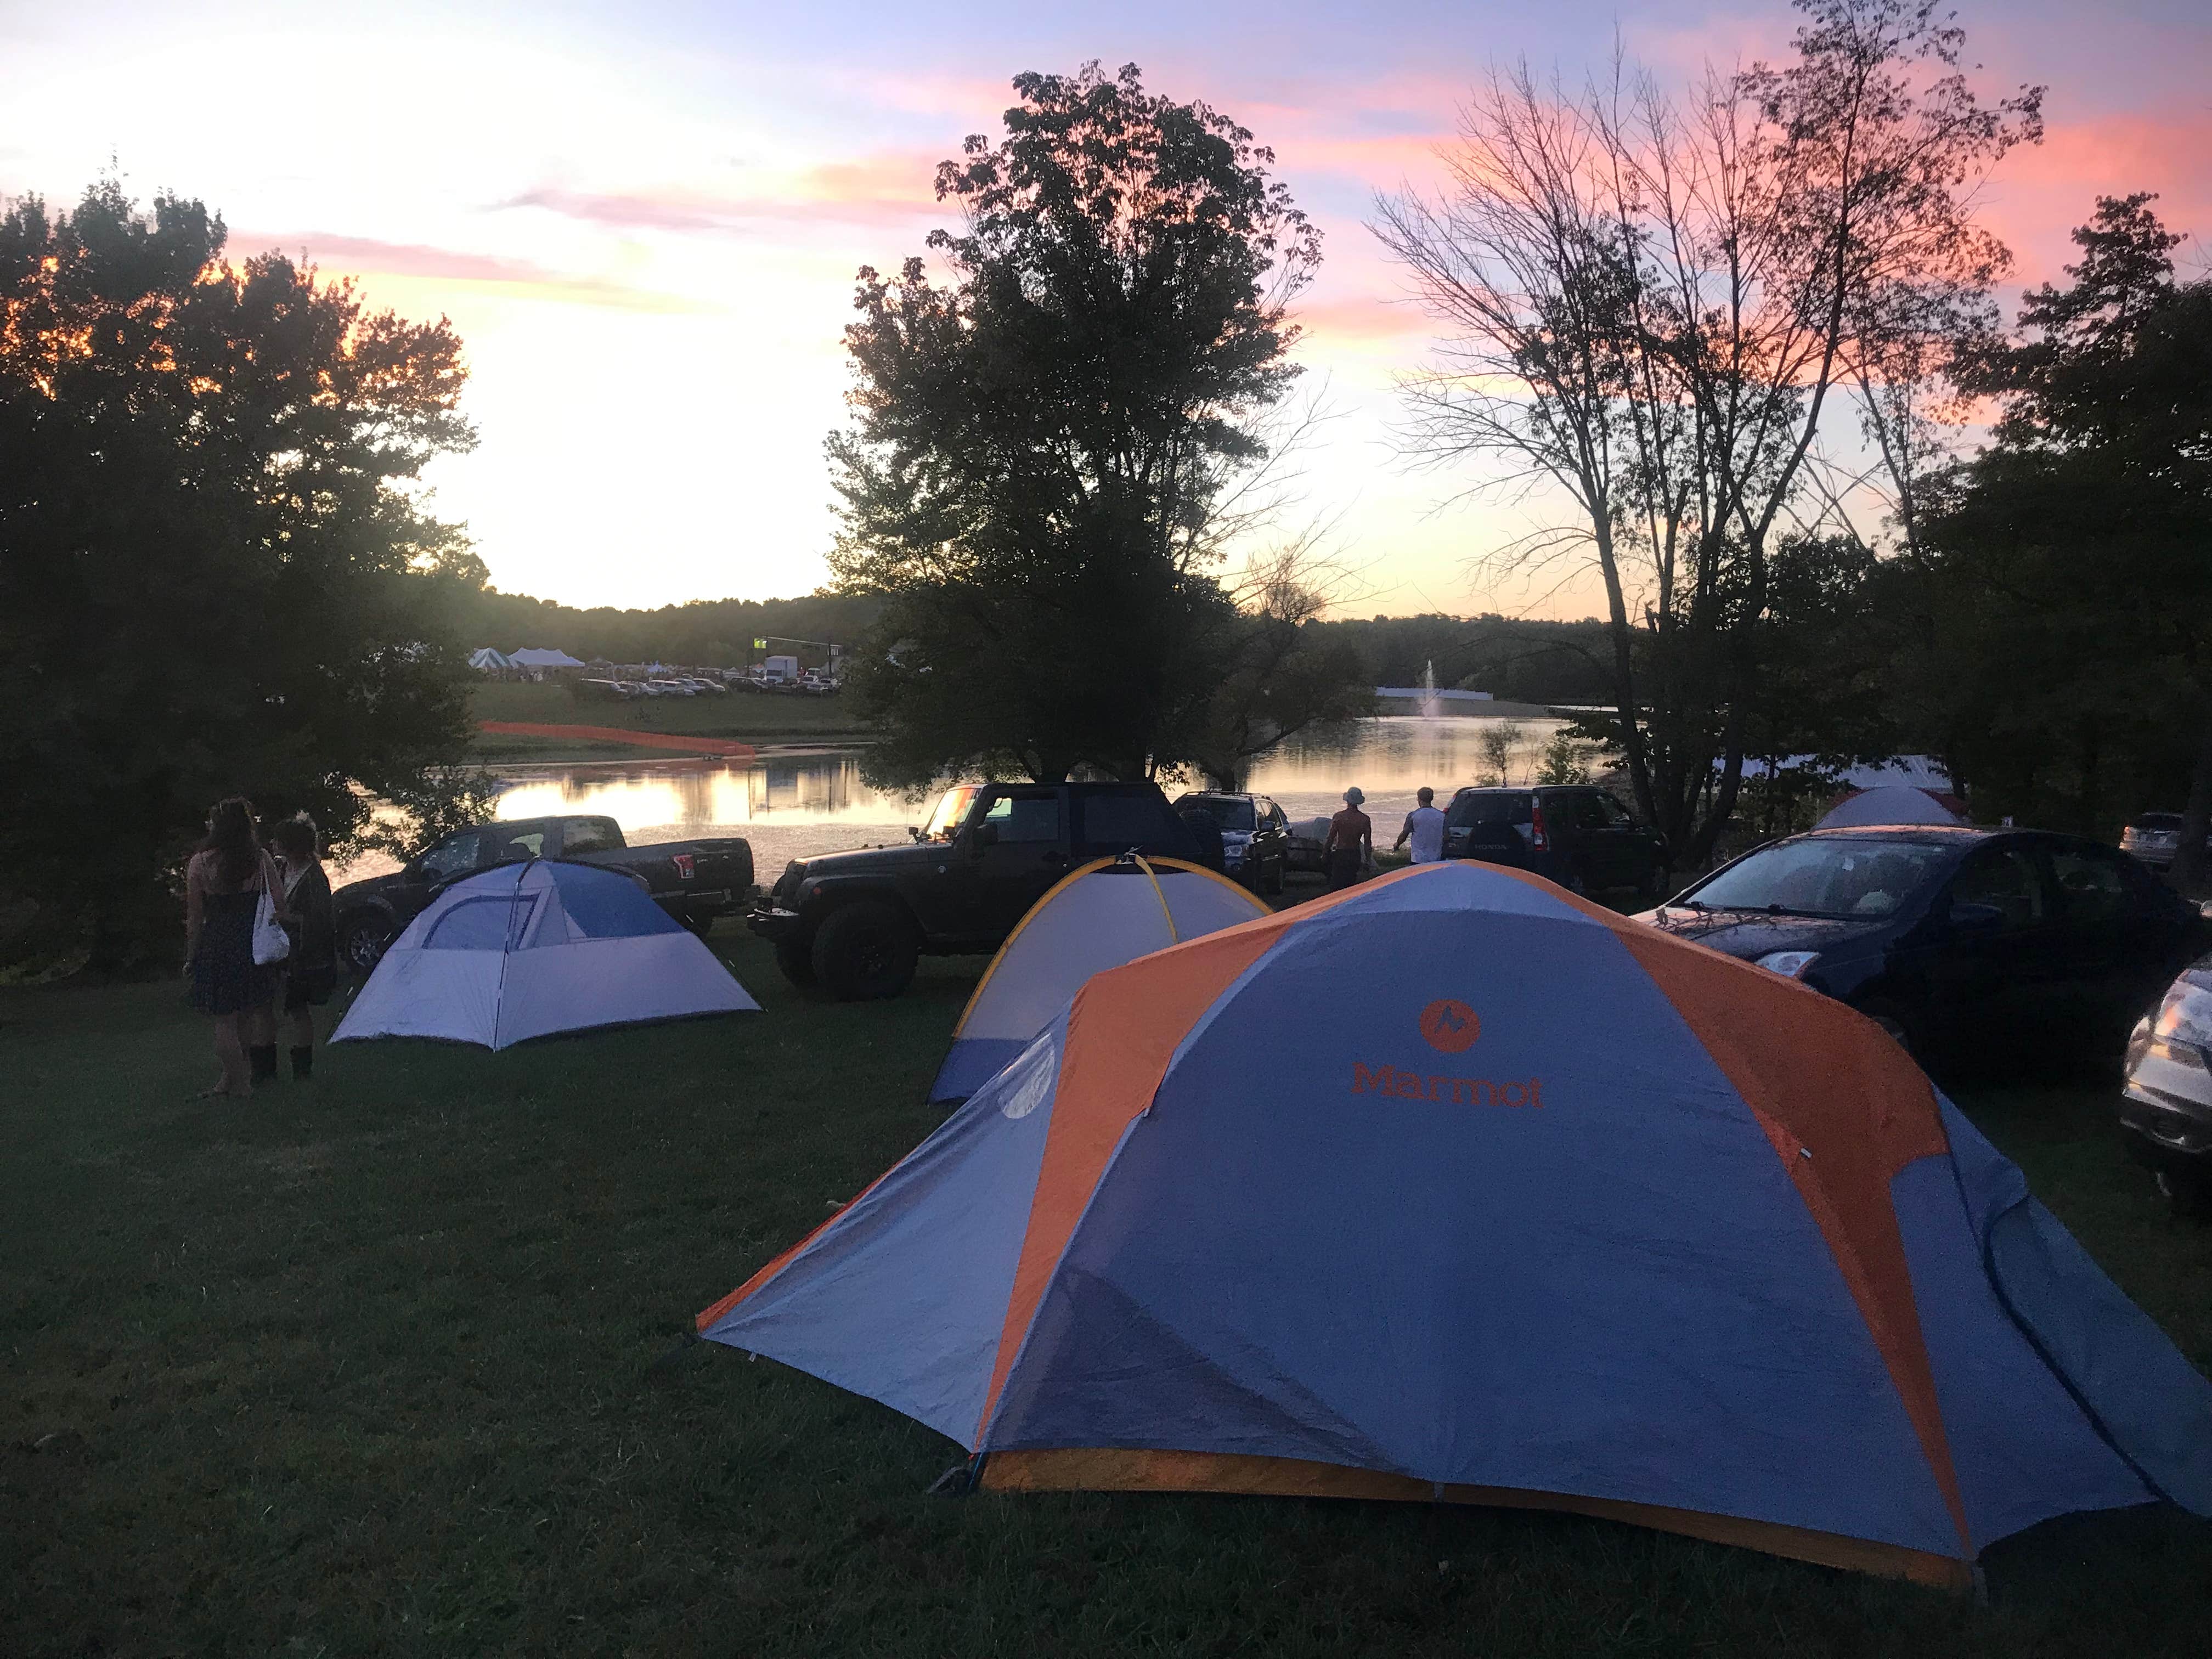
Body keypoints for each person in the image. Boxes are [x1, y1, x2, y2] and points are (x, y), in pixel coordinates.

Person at [184, 798, 285, 1098]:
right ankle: (232, 1080)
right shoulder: (260, 858)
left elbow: (195, 916)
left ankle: (240, 1085)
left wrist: (191, 955)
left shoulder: (201, 863)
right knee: (244, 1014)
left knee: (224, 1019)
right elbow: (279, 903)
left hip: (218, 941)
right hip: (251, 941)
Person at [270, 814, 338, 1080]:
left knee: (298, 1009)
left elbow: (320, 919)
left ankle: (302, 1067)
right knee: (284, 1008)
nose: (274, 843)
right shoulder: (281, 870)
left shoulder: (313, 876)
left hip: (303, 954)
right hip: (283, 950)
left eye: (280, 840)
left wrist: (287, 917)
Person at [1324, 787, 1373, 892]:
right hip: (1354, 854)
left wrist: (1325, 852)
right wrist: (1368, 860)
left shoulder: (1339, 816)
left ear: (1347, 801)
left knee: (1336, 883)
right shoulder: (1364, 819)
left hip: (1340, 853)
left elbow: (1331, 837)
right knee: (1351, 884)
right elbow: (1367, 842)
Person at [1393, 786, 1448, 866]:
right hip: (1436, 858)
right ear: (1432, 799)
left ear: (1419, 799)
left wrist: (1397, 845)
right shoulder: (1442, 816)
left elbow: (1404, 834)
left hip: (1418, 859)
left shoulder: (1414, 815)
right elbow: (1446, 837)